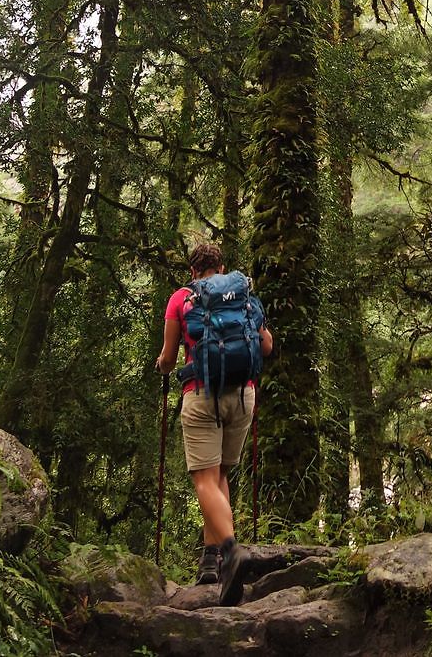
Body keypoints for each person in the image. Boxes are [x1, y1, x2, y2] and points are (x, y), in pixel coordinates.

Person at [155, 242, 274, 601]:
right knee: (221, 475)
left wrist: (162, 367)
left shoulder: (181, 299)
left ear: (193, 270)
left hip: (201, 392)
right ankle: (213, 563)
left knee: (204, 480)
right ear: (221, 266)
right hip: (243, 395)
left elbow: (168, 356)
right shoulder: (244, 294)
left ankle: (231, 549)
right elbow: (266, 346)